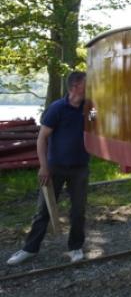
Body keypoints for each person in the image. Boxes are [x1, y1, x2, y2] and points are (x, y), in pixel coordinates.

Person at [6, 71, 90, 266]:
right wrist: (44, 166)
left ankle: (75, 247)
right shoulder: (57, 108)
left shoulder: (89, 108)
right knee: (43, 211)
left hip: (80, 168)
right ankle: (29, 249)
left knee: (78, 211)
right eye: (87, 83)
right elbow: (42, 138)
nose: (91, 87)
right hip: (54, 168)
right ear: (75, 86)